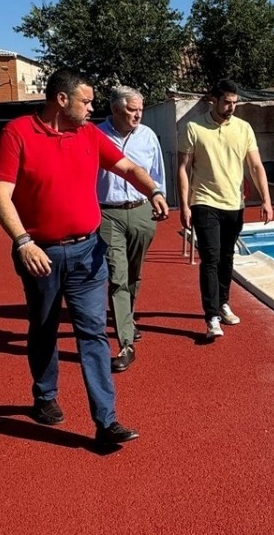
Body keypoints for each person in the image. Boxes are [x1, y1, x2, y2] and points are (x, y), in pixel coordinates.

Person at [0, 67, 169, 449]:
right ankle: (45, 394)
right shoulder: (17, 133)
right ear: (62, 99)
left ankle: (107, 422)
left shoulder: (89, 134)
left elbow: (127, 167)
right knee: (44, 328)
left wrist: (152, 189)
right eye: (86, 100)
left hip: (88, 251)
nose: (91, 107)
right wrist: (23, 242)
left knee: (92, 334)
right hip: (41, 255)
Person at [176, 81, 273, 340]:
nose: (231, 107)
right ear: (214, 101)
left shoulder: (244, 129)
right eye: (227, 102)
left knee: (227, 257)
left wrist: (266, 199)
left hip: (234, 204)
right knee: (211, 258)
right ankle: (211, 316)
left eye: (235, 102)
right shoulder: (193, 127)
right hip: (204, 201)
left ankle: (223, 302)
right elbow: (183, 168)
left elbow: (255, 166)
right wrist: (184, 204)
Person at [96, 86, 165, 373]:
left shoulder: (148, 136)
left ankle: (128, 318)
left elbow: (157, 173)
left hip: (141, 211)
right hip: (107, 213)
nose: (137, 114)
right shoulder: (96, 135)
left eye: (140, 109)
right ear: (115, 109)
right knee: (118, 275)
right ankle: (126, 342)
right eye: (131, 109)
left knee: (134, 274)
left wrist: (158, 196)